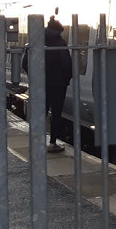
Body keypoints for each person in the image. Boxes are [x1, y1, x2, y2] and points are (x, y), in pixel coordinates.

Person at [44, 18, 74, 153]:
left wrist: (36, 77)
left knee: (41, 112)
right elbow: (67, 64)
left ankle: (36, 141)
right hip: (58, 84)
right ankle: (52, 143)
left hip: (41, 84)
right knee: (56, 113)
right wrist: (67, 77)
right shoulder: (60, 43)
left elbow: (25, 62)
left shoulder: (36, 41)